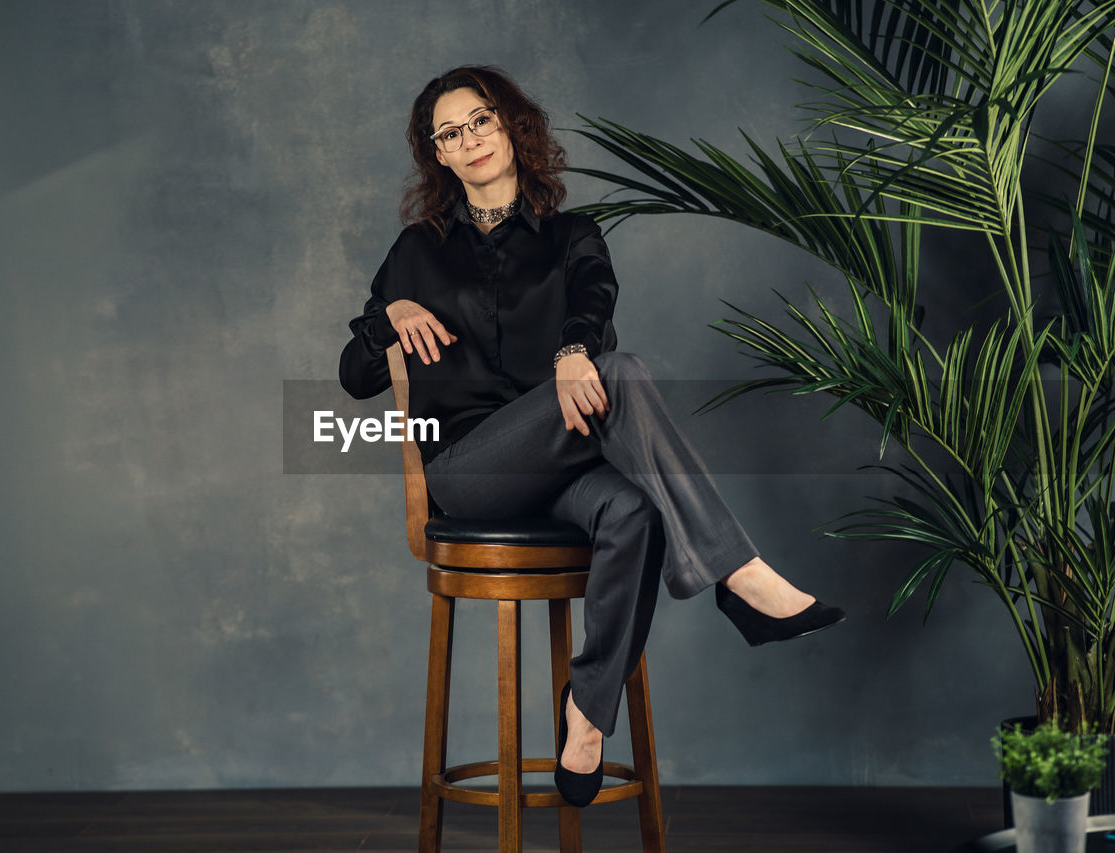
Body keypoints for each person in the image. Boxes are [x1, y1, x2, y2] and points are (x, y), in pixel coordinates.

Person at [338, 65, 846, 807]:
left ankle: (587, 707)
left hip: (562, 466)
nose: (470, 139)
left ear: (511, 125)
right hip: (471, 474)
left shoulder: (573, 236)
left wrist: (575, 350)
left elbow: (594, 303)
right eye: (450, 133)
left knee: (634, 509)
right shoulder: (417, 251)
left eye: (480, 119)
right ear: (438, 156)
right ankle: (740, 576)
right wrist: (388, 320)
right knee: (628, 372)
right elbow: (354, 374)